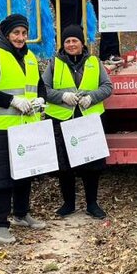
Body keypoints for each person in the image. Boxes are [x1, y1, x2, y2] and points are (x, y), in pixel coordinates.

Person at [0, 14, 48, 245]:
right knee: (1, 177)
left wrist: (41, 100)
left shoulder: (29, 57)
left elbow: (39, 85)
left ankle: (21, 214)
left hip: (27, 126)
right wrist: (11, 101)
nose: (20, 38)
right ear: (6, 34)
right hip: (1, 127)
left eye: (23, 33)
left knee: (25, 173)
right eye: (16, 33)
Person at [43, 25, 113, 219]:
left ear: (82, 43)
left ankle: (92, 203)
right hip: (61, 118)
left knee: (92, 164)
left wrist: (92, 97)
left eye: (75, 40)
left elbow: (107, 86)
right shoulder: (54, 63)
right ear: (63, 44)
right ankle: (68, 203)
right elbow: (44, 89)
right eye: (67, 41)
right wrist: (62, 96)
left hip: (89, 119)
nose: (71, 44)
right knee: (65, 166)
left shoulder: (94, 62)